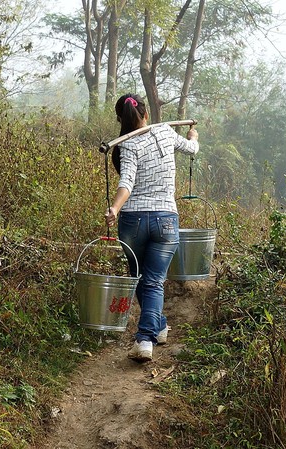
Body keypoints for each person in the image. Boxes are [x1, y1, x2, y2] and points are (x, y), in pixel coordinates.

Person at [105, 93, 199, 362]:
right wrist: (193, 136)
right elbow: (192, 149)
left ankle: (145, 338)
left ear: (120, 119)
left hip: (133, 221)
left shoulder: (127, 145)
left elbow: (127, 183)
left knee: (140, 277)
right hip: (166, 220)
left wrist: (115, 208)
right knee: (154, 280)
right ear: (145, 114)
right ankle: (156, 328)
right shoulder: (166, 133)